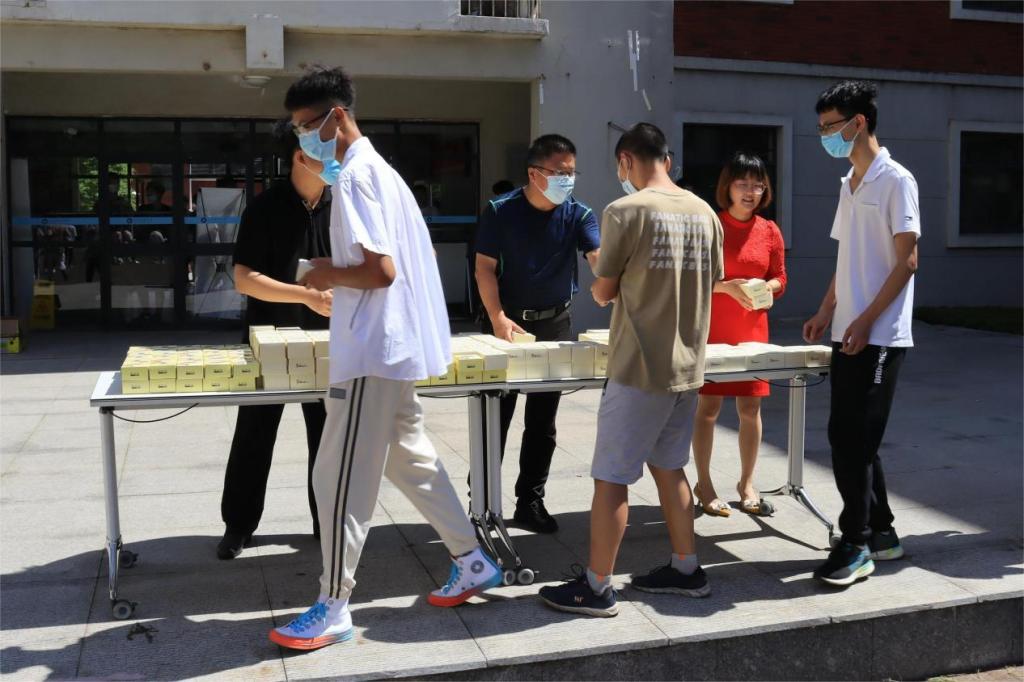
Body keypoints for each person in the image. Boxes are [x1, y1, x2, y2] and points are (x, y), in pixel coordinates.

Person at [270, 66, 500, 651]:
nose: (303, 140)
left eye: (305, 127)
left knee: (337, 476)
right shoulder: (383, 172)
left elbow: (381, 271)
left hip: (372, 349)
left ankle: (332, 605)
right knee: (409, 459)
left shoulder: (355, 178)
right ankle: (471, 559)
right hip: (391, 347)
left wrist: (324, 271)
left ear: (336, 117)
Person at [539, 122, 723, 616]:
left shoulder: (626, 211)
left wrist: (607, 286)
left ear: (625, 161)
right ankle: (686, 568)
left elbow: (603, 290)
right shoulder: (706, 212)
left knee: (611, 477)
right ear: (667, 158)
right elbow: (712, 280)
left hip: (639, 366)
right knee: (670, 467)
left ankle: (597, 586)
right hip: (688, 366)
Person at [803, 80, 919, 587]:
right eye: (821, 128)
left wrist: (867, 319)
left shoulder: (896, 180)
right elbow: (846, 254)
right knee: (853, 437)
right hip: (848, 328)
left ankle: (855, 544)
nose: (825, 136)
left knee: (852, 439)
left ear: (859, 122)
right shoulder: (849, 183)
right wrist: (826, 308)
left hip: (880, 334)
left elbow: (907, 261)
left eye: (831, 126)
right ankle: (883, 533)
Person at [217, 120, 334, 560]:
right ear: (300, 157)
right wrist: (305, 294)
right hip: (270, 340)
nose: (337, 160)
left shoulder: (343, 205)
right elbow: (244, 278)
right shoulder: (265, 208)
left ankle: (328, 521)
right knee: (255, 432)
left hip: (328, 342)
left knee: (328, 436)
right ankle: (238, 525)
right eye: (327, 151)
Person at [473, 134, 600, 533]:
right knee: (495, 415)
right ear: (534, 173)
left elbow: (598, 258)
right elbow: (484, 268)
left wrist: (613, 275)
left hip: (554, 324)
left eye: (572, 172)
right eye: (560, 173)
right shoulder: (500, 210)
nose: (568, 180)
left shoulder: (579, 214)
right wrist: (497, 317)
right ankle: (482, 503)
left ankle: (530, 500)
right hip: (505, 325)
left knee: (543, 421)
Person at [692, 153, 787, 518]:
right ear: (727, 187)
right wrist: (726, 287)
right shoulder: (711, 226)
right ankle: (704, 483)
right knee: (708, 408)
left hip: (753, 329)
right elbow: (693, 277)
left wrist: (768, 287)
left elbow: (780, 277)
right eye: (742, 184)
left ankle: (747, 483)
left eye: (758, 185)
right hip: (714, 327)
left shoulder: (769, 230)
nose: (750, 192)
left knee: (750, 408)